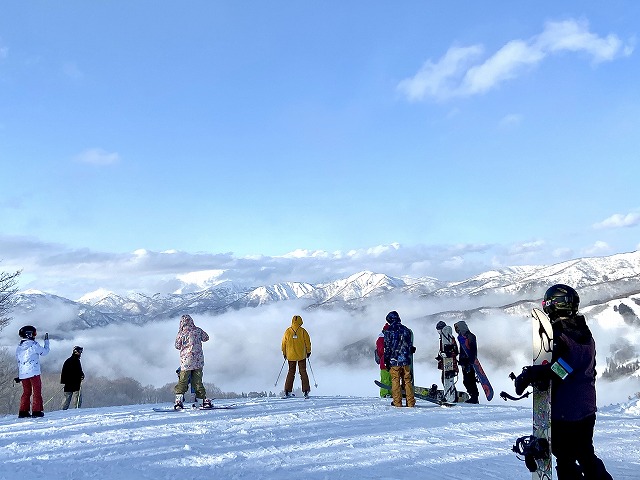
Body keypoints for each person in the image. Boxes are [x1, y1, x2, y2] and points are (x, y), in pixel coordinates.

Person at [515, 284, 613, 480]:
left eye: (547, 304)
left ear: (554, 305)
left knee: (565, 457)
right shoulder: (583, 331)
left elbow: (561, 370)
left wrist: (530, 375)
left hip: (567, 412)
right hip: (586, 407)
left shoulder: (563, 336)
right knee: (585, 453)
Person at [174, 314, 211, 409]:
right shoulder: (198, 330)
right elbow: (206, 338)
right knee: (197, 381)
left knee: (183, 381)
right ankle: (200, 401)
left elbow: (177, 346)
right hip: (198, 361)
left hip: (186, 362)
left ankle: (179, 400)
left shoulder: (181, 334)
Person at [15, 325, 50, 418]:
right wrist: (46, 342)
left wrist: (19, 375)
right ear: (29, 334)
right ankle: (36, 411)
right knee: (37, 391)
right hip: (33, 372)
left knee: (26, 392)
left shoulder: (19, 347)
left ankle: (23, 411)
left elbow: (19, 361)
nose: (35, 335)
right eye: (34, 333)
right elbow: (45, 352)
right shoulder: (34, 345)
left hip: (23, 374)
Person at [383, 311, 415, 408]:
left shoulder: (389, 331)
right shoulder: (406, 330)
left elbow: (387, 347)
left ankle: (397, 402)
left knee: (395, 380)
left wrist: (386, 360)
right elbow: (410, 345)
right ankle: (410, 402)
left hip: (394, 360)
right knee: (407, 380)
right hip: (405, 360)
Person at [281, 314, 312, 398]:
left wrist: (284, 353)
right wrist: (308, 352)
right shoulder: (303, 331)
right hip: (301, 355)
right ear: (300, 321)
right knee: (303, 372)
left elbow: (283, 343)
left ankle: (287, 391)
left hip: (290, 356)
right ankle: (305, 391)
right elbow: (308, 342)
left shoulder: (288, 331)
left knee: (291, 372)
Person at [453, 320, 480, 404]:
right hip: (464, 362)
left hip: (469, 363)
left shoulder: (470, 336)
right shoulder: (462, 337)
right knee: (466, 381)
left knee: (470, 380)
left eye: (457, 328)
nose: (457, 331)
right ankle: (473, 396)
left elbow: (473, 350)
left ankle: (474, 397)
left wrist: (470, 362)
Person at [435, 321, 459, 402]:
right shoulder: (443, 338)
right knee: (445, 379)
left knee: (448, 379)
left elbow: (455, 351)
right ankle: (450, 394)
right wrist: (440, 356)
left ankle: (451, 395)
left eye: (439, 329)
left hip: (450, 362)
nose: (438, 331)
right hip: (445, 362)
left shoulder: (449, 338)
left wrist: (447, 354)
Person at [375, 323, 392, 398]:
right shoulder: (382, 339)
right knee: (386, 378)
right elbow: (381, 351)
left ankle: (389, 392)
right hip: (385, 361)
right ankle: (385, 393)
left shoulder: (382, 339)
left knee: (389, 378)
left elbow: (380, 351)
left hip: (387, 361)